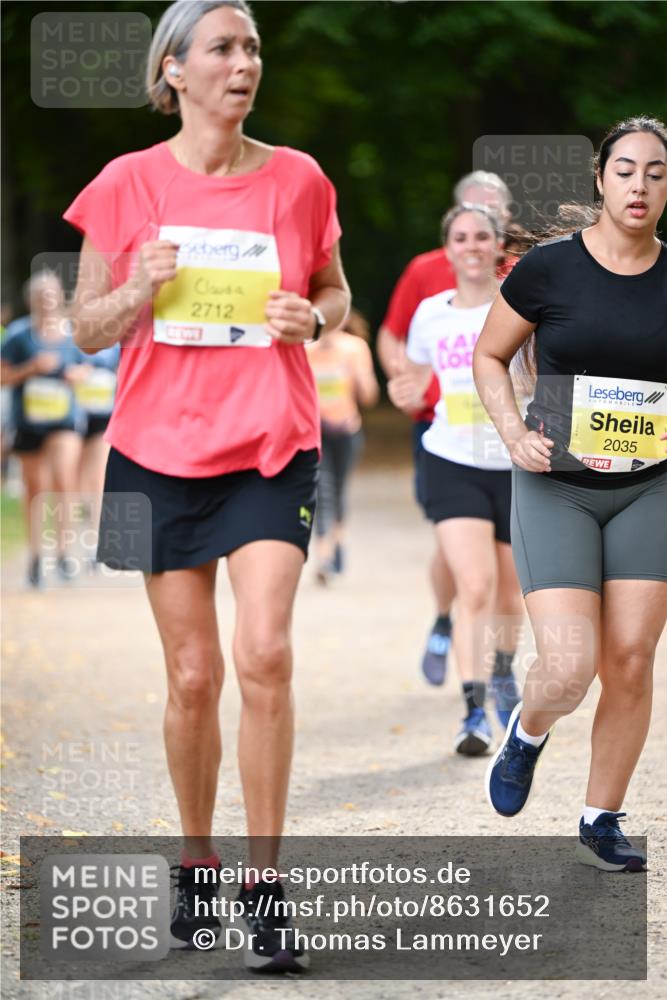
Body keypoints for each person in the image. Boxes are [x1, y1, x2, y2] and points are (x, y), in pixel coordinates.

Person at [64, 0, 349, 970]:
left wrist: (312, 322)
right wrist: (138, 285)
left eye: (254, 47)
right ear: (174, 71)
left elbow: (336, 290)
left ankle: (266, 889)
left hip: (273, 445)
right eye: (224, 48)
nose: (245, 64)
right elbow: (87, 329)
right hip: (155, 455)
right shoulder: (124, 184)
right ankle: (197, 859)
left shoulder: (299, 180)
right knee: (192, 677)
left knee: (263, 651)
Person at [474, 116, 667, 872]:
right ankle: (526, 731)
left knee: (628, 657)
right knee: (566, 666)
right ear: (599, 177)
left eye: (655, 173)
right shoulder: (549, 270)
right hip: (556, 483)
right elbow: (490, 356)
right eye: (625, 170)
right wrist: (511, 433)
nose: (639, 186)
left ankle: (600, 815)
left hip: (649, 486)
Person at [389, 204, 523, 755]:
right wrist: (405, 393)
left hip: (515, 463)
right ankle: (473, 715)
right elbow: (417, 375)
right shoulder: (430, 313)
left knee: (511, 593)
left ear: (498, 247)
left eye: (482, 236)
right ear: (447, 250)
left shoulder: (520, 307)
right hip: (452, 459)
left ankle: (503, 675)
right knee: (475, 586)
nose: (471, 245)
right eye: (460, 237)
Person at [0, 271, 88, 588]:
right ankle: (37, 557)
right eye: (40, 295)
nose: (46, 300)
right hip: (28, 422)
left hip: (65, 419)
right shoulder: (19, 336)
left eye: (51, 293)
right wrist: (31, 369)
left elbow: (88, 366)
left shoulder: (72, 332)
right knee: (36, 487)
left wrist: (75, 375)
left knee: (65, 478)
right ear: (31, 300)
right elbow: (2, 377)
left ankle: (65, 552)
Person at [306, 308, 379, 584]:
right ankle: (324, 556)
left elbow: (370, 396)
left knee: (338, 490)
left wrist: (357, 376)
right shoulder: (305, 351)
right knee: (321, 492)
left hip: (347, 430)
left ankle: (338, 547)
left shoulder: (355, 348)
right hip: (316, 432)